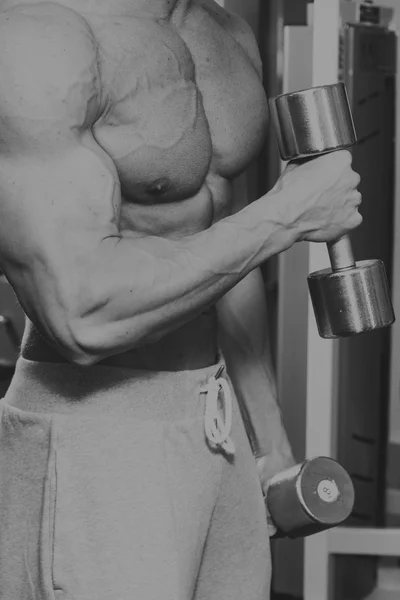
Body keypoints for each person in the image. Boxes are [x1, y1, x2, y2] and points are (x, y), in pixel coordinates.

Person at [0, 1, 362, 599]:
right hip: (99, 431)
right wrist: (287, 214)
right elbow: (81, 314)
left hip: (216, 426)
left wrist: (268, 444)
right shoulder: (40, 36)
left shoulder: (223, 31)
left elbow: (223, 247)